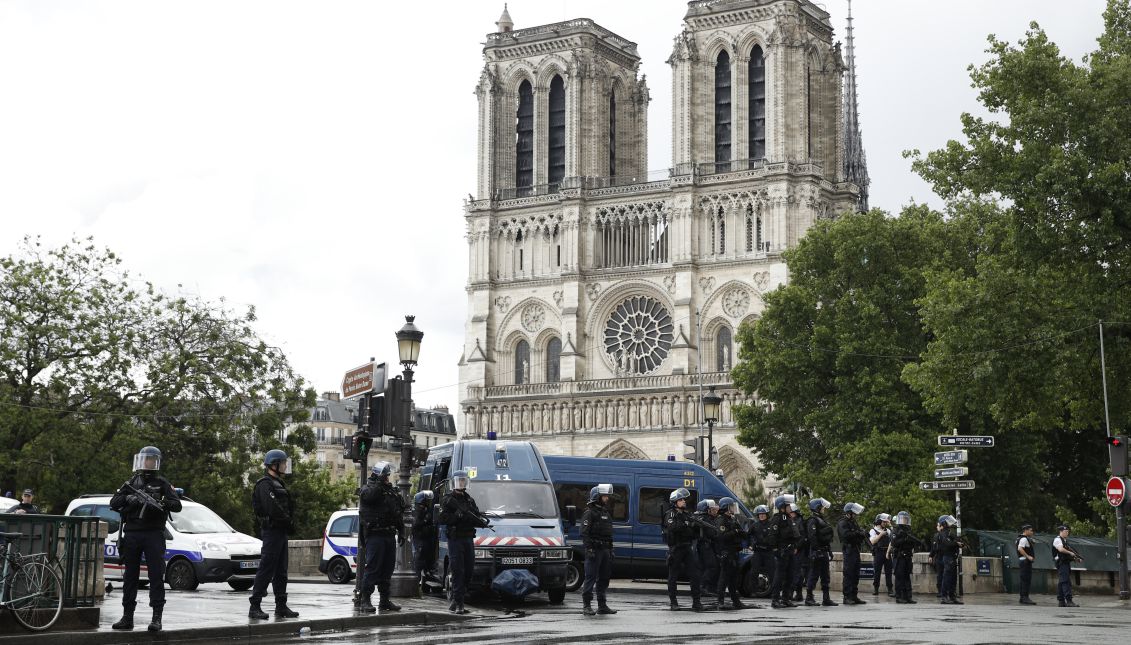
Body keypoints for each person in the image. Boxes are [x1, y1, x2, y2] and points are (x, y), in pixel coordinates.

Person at [109, 446, 182, 632]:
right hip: (132, 534)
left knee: (156, 576)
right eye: (144, 459)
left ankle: (156, 617)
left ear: (156, 462)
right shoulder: (131, 482)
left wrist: (161, 501)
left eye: (150, 459)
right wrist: (129, 499)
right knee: (130, 578)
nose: (146, 463)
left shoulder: (163, 483)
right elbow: (114, 502)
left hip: (153, 534)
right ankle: (127, 617)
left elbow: (177, 505)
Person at [249, 449, 299, 620]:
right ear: (274, 464)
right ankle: (254, 606)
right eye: (283, 463)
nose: (286, 466)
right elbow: (272, 508)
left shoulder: (278, 483)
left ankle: (281, 606)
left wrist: (288, 523)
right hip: (272, 531)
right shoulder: (265, 484)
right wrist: (287, 521)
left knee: (281, 571)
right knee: (266, 568)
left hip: (280, 531)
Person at [439, 469, 489, 614]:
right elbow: (442, 519)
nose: (461, 483)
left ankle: (457, 599)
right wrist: (457, 516)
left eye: (463, 480)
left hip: (468, 538)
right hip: (455, 539)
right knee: (457, 570)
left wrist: (482, 521)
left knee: (469, 570)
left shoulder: (469, 500)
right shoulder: (448, 500)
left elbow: (476, 515)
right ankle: (459, 602)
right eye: (459, 481)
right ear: (454, 483)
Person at [357, 462, 405, 612]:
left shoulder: (389, 491)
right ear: (379, 475)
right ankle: (365, 600)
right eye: (385, 475)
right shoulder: (368, 488)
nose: (388, 478)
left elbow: (396, 512)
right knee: (373, 568)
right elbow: (370, 497)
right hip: (375, 534)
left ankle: (384, 600)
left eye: (388, 475)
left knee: (387, 569)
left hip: (389, 534)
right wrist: (379, 483)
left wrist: (401, 529)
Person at [662, 488, 703, 611]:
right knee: (673, 576)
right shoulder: (670, 514)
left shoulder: (687, 514)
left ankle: (696, 602)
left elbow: (692, 532)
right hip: (676, 548)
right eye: (681, 500)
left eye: (684, 499)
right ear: (675, 502)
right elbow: (672, 527)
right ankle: (673, 603)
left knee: (694, 575)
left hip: (687, 547)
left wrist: (695, 527)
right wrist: (686, 524)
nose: (684, 501)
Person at [580, 483, 617, 616]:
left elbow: (609, 533)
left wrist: (610, 549)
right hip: (594, 550)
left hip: (605, 550)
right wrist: (589, 548)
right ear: (597, 497)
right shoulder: (589, 513)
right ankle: (587, 606)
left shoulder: (605, 513)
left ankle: (602, 605)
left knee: (604, 578)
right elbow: (584, 533)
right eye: (605, 496)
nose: (607, 498)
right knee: (590, 578)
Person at [768, 494, 799, 609]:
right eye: (788, 506)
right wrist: (775, 549)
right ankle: (775, 599)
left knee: (790, 575)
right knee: (779, 576)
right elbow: (772, 536)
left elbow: (794, 534)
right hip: (782, 550)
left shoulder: (789, 518)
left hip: (790, 550)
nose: (790, 507)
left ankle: (786, 599)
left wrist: (795, 546)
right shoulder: (777, 518)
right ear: (782, 507)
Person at [804, 498, 837, 607]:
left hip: (823, 551)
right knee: (813, 575)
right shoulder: (812, 520)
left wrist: (829, 550)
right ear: (817, 508)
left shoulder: (821, 519)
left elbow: (825, 537)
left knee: (825, 576)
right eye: (822, 507)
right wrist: (816, 549)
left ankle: (826, 598)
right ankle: (809, 598)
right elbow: (812, 537)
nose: (824, 509)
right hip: (816, 552)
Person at [890, 511, 924, 604]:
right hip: (899, 556)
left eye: (906, 519)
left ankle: (908, 597)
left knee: (907, 577)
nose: (904, 520)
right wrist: (903, 538)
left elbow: (913, 542)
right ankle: (899, 597)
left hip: (908, 556)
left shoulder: (908, 530)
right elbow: (894, 543)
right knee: (899, 577)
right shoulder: (896, 530)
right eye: (903, 518)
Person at [838, 502, 868, 606]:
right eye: (854, 513)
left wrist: (862, 534)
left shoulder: (853, 522)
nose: (855, 515)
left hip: (855, 549)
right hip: (849, 550)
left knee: (856, 574)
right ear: (849, 512)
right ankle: (847, 597)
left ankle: (854, 596)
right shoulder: (843, 522)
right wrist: (857, 533)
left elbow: (858, 535)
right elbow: (845, 535)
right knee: (849, 574)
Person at [412, 489, 438, 587]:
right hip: (420, 540)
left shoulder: (425, 510)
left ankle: (424, 581)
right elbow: (416, 525)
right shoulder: (418, 511)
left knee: (426, 561)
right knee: (418, 561)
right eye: (427, 500)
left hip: (426, 539)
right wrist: (426, 522)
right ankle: (415, 582)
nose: (429, 502)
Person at [934, 515, 962, 605]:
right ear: (944, 523)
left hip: (953, 557)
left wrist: (960, 543)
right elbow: (947, 543)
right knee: (946, 577)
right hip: (947, 557)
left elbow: (956, 541)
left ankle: (952, 596)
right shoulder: (943, 533)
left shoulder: (950, 532)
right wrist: (956, 543)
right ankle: (944, 596)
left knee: (953, 578)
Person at [693, 499, 720, 595]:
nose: (715, 511)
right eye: (712, 509)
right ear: (707, 510)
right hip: (705, 546)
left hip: (703, 546)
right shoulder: (705, 519)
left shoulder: (700, 518)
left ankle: (707, 588)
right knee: (712, 566)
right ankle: (702, 586)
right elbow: (712, 533)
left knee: (704, 567)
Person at [1052, 524, 1082, 607]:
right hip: (1061, 563)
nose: (1067, 533)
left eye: (1068, 531)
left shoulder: (1064, 541)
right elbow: (1061, 549)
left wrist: (1076, 558)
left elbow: (1068, 553)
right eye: (1066, 531)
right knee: (1066, 582)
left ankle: (1061, 601)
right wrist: (1070, 553)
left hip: (1065, 562)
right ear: (1061, 531)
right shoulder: (1058, 540)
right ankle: (1069, 600)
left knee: (1062, 582)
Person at [747, 504, 774, 598]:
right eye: (760, 514)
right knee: (754, 571)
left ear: (767, 514)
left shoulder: (772, 524)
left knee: (772, 572)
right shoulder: (754, 525)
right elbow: (748, 536)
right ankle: (753, 591)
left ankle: (773, 592)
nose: (761, 515)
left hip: (768, 552)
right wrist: (750, 545)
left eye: (763, 514)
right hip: (758, 552)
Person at [869, 513, 894, 597]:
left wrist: (889, 552)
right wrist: (880, 534)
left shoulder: (888, 531)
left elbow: (892, 541)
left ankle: (890, 589)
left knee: (889, 572)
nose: (885, 523)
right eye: (883, 522)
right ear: (879, 522)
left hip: (887, 552)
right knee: (877, 572)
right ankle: (876, 588)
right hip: (878, 552)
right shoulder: (873, 530)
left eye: (885, 522)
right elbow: (872, 541)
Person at [789, 502, 809, 602]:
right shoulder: (792, 520)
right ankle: (798, 593)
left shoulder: (799, 521)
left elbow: (802, 537)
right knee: (795, 572)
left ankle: (793, 593)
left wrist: (796, 547)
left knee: (797, 573)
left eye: (792, 512)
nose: (790, 514)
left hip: (798, 551)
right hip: (794, 549)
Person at [1016, 524, 1036, 605]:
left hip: (1023, 561)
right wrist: (1028, 556)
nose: (1032, 532)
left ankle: (1022, 597)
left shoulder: (1021, 538)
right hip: (1025, 562)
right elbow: (1020, 549)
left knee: (1023, 580)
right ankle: (1025, 597)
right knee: (1026, 580)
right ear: (1026, 530)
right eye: (1030, 530)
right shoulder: (1023, 539)